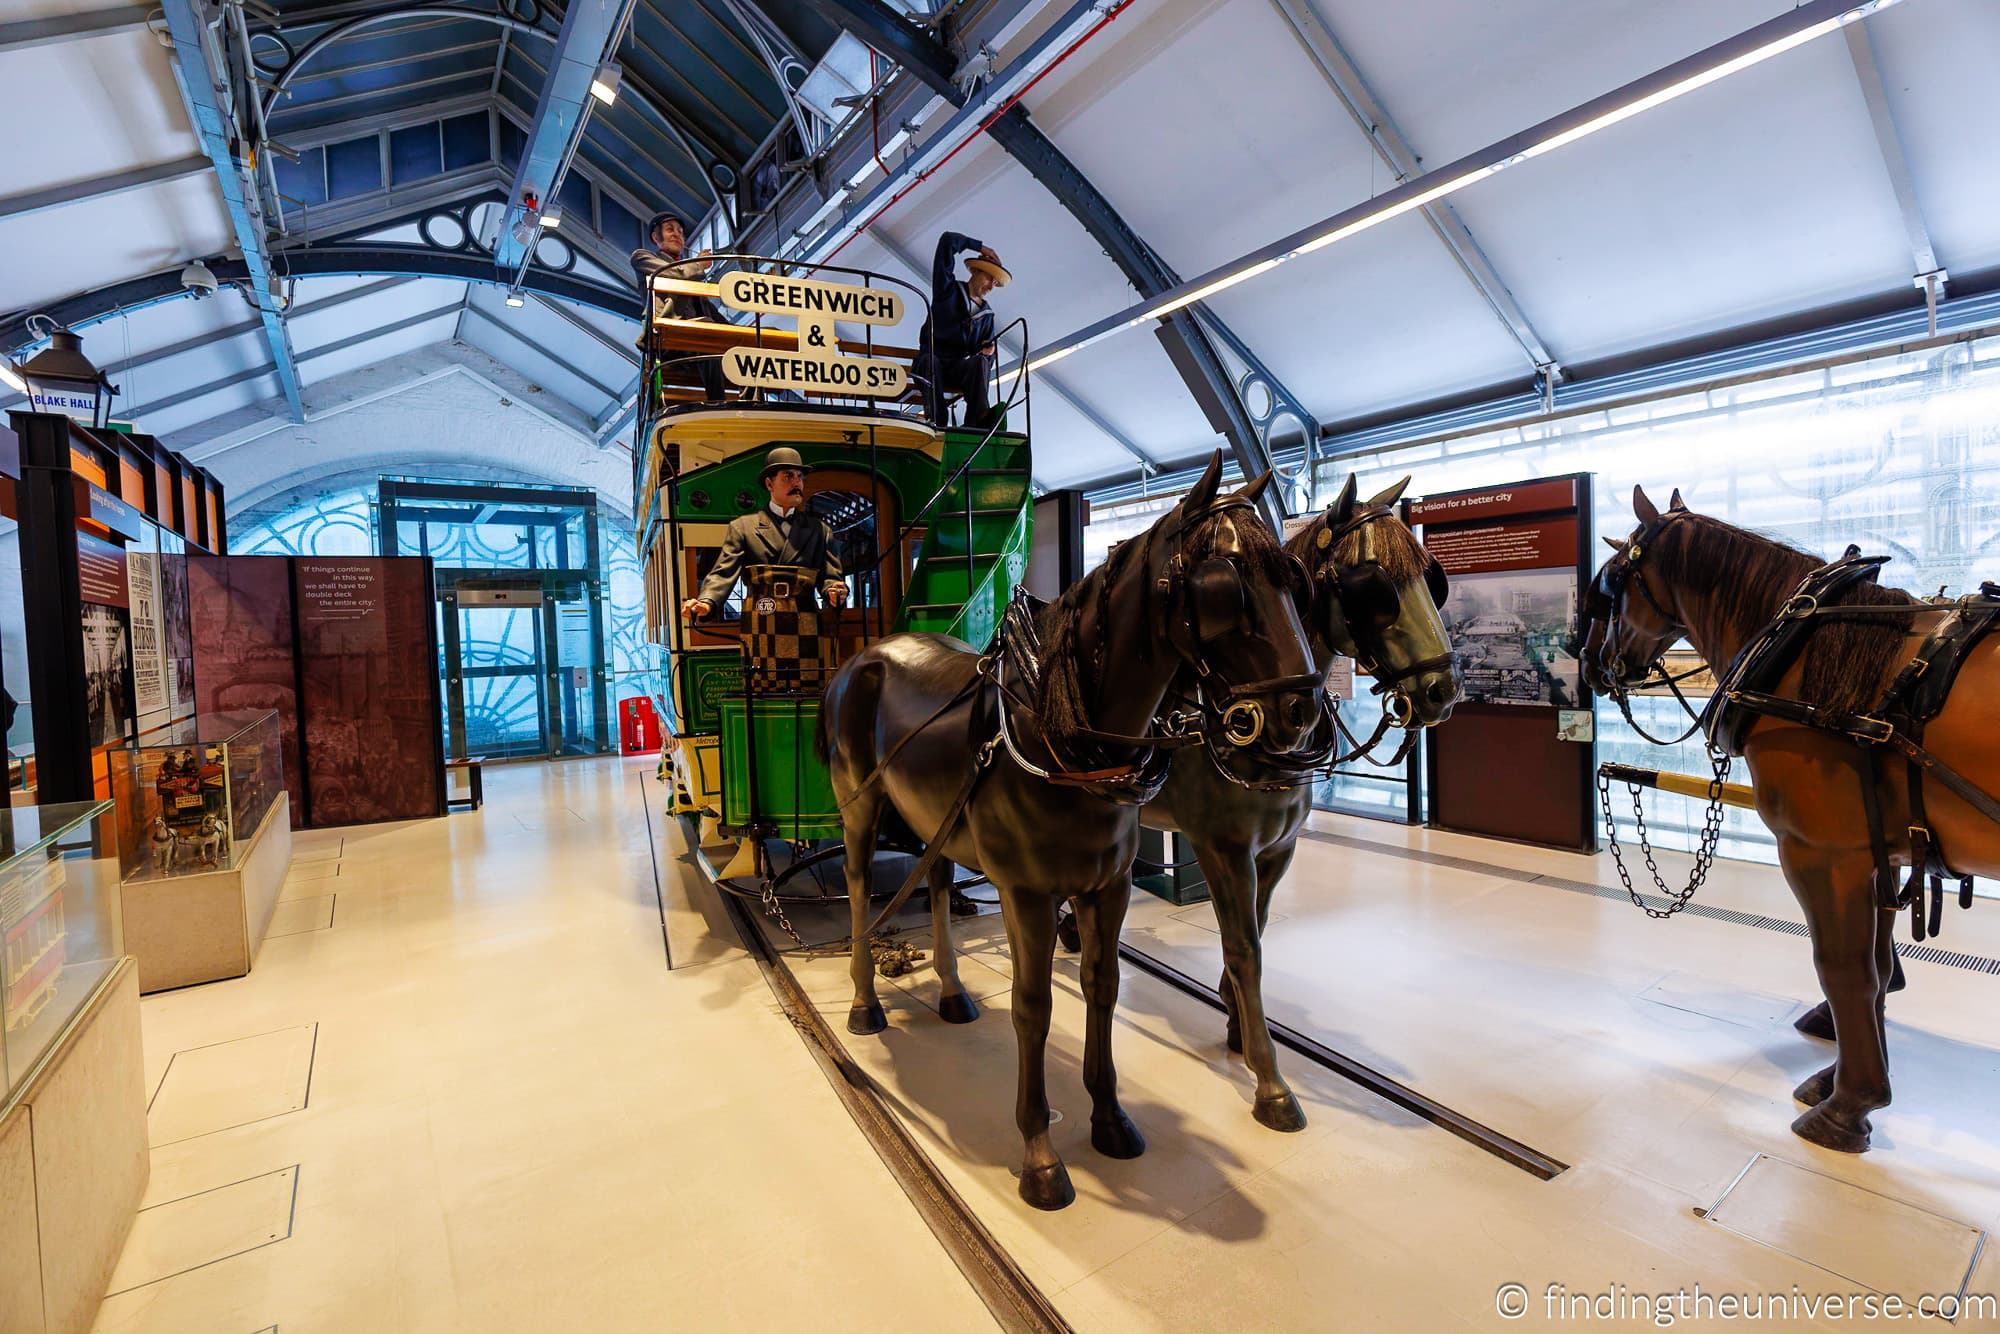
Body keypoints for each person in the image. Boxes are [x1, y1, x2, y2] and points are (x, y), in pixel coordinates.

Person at [681, 448, 849, 621]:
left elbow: (830, 578)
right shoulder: (743, 528)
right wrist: (707, 602)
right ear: (769, 484)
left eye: (800, 477)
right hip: (759, 623)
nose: (797, 483)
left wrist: (835, 592)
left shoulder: (820, 531)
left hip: (805, 625)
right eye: (788, 476)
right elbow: (723, 573)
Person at [913, 231, 1008, 427]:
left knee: (980, 362)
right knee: (930, 362)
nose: (991, 286)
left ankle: (977, 421)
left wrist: (987, 353)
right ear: (975, 271)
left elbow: (985, 360)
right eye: (989, 278)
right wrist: (981, 247)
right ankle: (937, 420)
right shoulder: (947, 290)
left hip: (958, 368)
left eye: (995, 283)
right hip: (931, 362)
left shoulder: (987, 316)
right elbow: (947, 241)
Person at [631, 211, 727, 403]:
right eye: (670, 230)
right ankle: (718, 403)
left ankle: (750, 401)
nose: (677, 234)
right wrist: (698, 265)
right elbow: (671, 274)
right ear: (656, 237)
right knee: (706, 333)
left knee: (741, 343)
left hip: (697, 337)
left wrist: (743, 334)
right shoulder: (642, 257)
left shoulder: (690, 273)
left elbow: (710, 311)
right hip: (667, 337)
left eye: (681, 232)